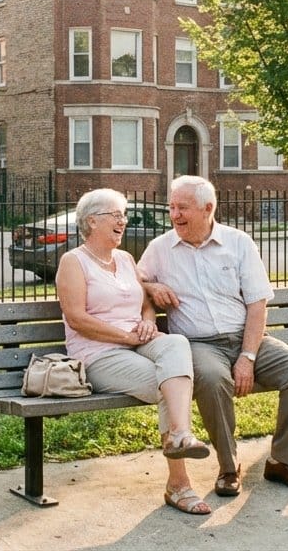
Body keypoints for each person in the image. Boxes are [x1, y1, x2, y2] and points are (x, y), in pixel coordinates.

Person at [139, 175, 288, 498]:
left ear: (208, 208)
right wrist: (151, 286)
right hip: (198, 343)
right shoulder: (160, 249)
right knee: (211, 378)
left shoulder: (238, 243)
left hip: (245, 337)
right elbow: (132, 281)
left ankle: (283, 461)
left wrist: (247, 358)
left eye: (183, 208)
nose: (175, 215)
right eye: (172, 207)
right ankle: (227, 466)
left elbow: (256, 304)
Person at [56, 188, 213, 514]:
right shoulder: (73, 262)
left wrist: (146, 323)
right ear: (92, 221)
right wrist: (126, 337)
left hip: (136, 343)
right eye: (116, 215)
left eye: (123, 216)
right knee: (168, 384)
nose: (123, 221)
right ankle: (179, 484)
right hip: (97, 353)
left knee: (176, 343)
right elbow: (77, 319)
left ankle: (180, 434)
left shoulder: (126, 259)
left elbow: (144, 305)